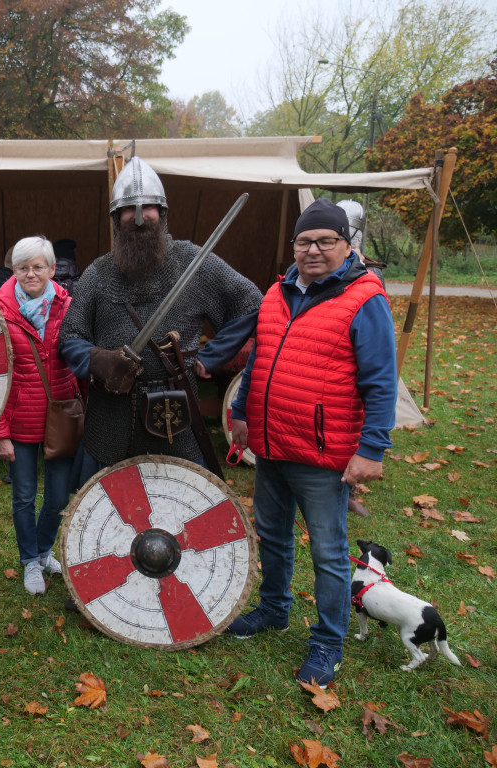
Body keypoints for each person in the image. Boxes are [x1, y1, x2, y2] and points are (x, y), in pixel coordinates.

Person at [226, 198, 397, 687]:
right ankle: (274, 609)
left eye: (326, 241)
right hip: (270, 442)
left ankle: (327, 642)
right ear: (294, 246)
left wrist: (372, 448)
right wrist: (240, 413)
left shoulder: (365, 299)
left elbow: (381, 380)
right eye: (305, 241)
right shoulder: (277, 293)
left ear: (347, 245)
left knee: (327, 551)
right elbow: (259, 358)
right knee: (274, 535)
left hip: (323, 453)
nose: (314, 250)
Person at [58, 157, 263, 478]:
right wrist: (99, 360)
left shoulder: (193, 261)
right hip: (111, 413)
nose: (139, 217)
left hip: (176, 411)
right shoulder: (97, 274)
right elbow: (70, 338)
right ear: (116, 217)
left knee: (184, 502)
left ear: (162, 213)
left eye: (149, 207)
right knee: (104, 512)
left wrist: (211, 357)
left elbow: (249, 305)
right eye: (129, 209)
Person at [0, 236, 79, 595]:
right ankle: (30, 560)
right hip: (19, 418)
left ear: (52, 269)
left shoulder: (69, 307)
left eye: (38, 266)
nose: (31, 274)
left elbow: (80, 359)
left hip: (61, 415)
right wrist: (0, 433)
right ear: (14, 270)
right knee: (24, 496)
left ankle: (43, 550)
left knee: (59, 496)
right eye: (23, 267)